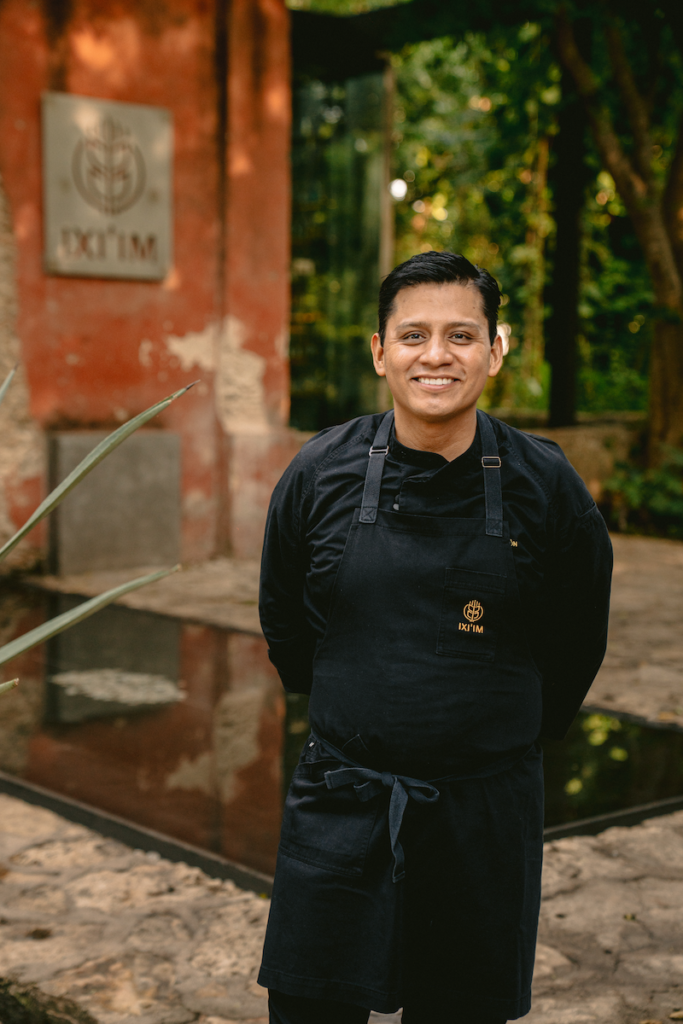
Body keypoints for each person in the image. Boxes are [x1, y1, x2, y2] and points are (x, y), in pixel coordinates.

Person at [257, 251, 613, 1024]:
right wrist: (364, 707)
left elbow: (577, 638)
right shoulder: (319, 472)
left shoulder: (545, 485)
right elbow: (286, 623)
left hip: (483, 813)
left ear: (495, 347)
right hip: (342, 797)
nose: (436, 355)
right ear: (379, 350)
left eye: (460, 334)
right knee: (310, 1010)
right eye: (413, 334)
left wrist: (492, 736)